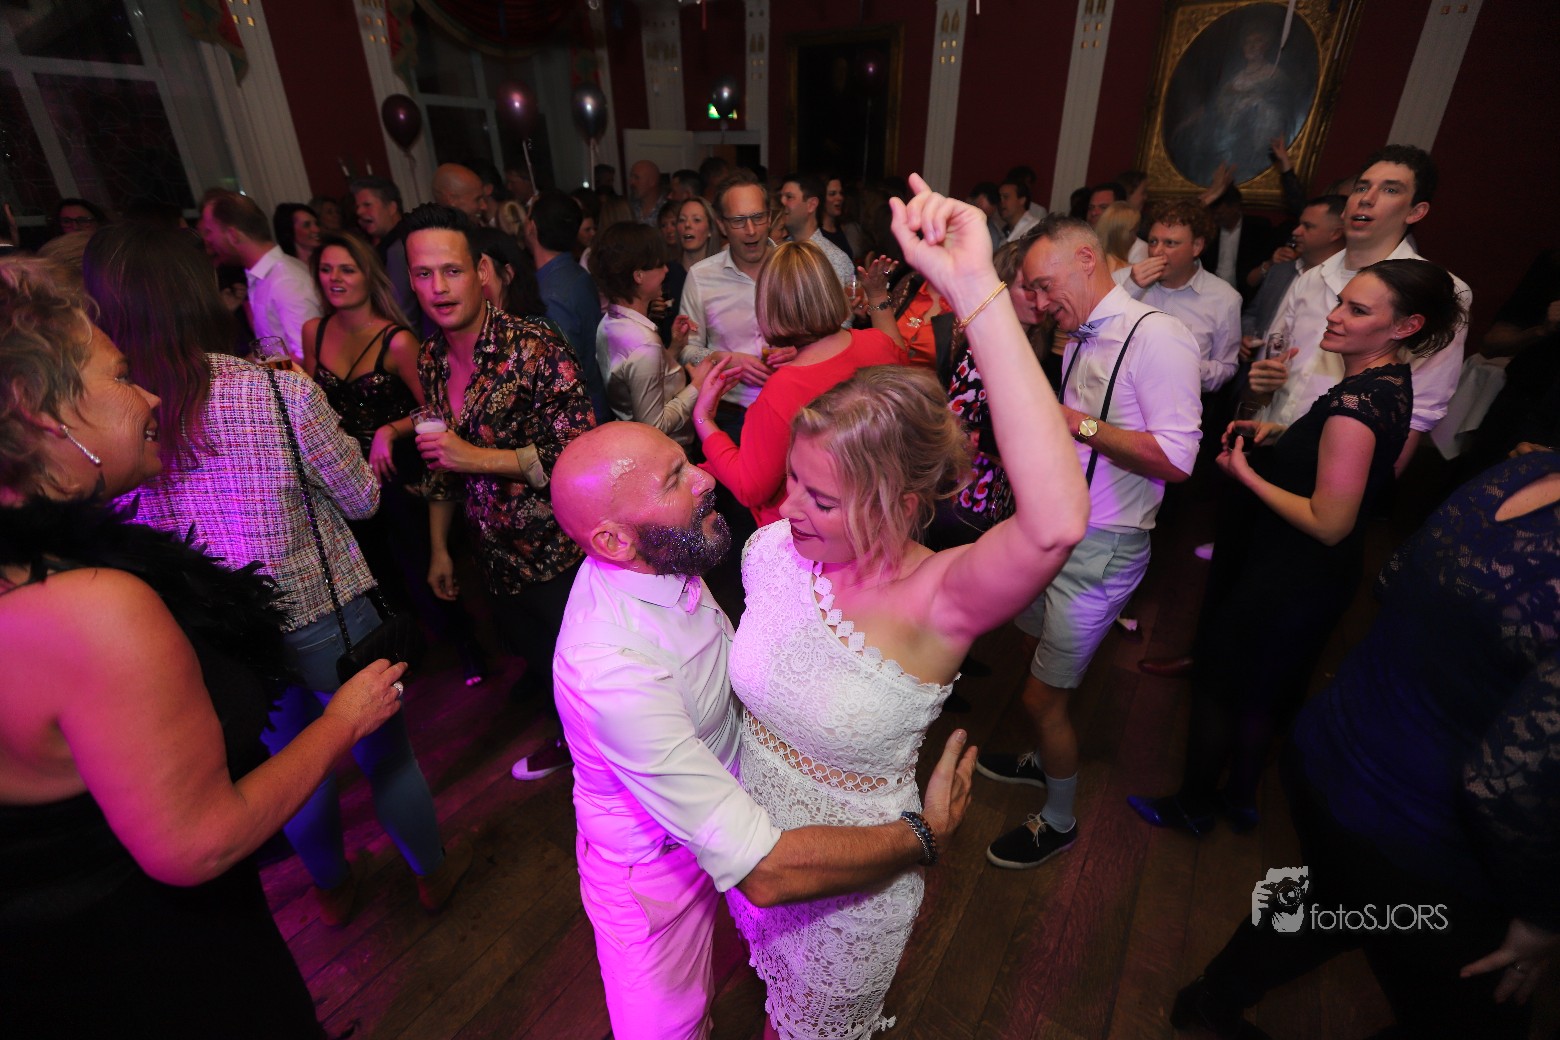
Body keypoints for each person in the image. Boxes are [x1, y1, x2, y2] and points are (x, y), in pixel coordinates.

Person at [0, 259, 405, 1040]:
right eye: (121, 377)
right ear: (42, 414)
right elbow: (198, 845)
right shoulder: (94, 607)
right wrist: (345, 720)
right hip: (155, 969)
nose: (152, 398)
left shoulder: (36, 573)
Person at [725, 174, 1089, 1040]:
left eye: (821, 498)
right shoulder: (769, 552)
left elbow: (1055, 523)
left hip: (851, 895)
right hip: (749, 855)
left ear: (899, 501)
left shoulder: (940, 597)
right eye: (793, 483)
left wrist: (977, 289)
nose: (789, 509)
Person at [82, 225, 470, 926]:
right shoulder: (275, 392)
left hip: (222, 638)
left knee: (289, 770)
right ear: (200, 294)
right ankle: (433, 876)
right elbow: (363, 498)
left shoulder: (102, 423)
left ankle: (332, 888)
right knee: (385, 754)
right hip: (325, 614)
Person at [549, 420, 982, 1040]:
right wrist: (925, 832)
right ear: (614, 541)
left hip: (732, 812)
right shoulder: (609, 671)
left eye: (686, 460)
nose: (705, 478)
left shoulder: (663, 551)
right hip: (655, 870)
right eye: (674, 479)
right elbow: (767, 871)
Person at [1170, 447, 1560, 1040]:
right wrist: (1544, 915)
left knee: (1333, 900)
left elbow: (1393, 575)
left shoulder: (1523, 469)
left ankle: (1209, 999)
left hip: (1333, 751)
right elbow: (1507, 786)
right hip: (1427, 835)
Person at [1128, 258, 1464, 835]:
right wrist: (1282, 436)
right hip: (1317, 575)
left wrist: (1246, 474)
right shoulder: (1387, 383)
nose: (1335, 315)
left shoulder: (1356, 406)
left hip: (1293, 572)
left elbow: (1329, 521)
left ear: (1406, 326)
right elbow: (1347, 460)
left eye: (1357, 310)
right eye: (1340, 302)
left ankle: (1193, 807)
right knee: (1265, 690)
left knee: (1219, 681)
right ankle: (1239, 798)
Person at [976, 215, 1203, 869]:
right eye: (1030, 290)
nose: (1039, 300)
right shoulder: (1082, 332)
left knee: (1041, 696)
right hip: (1054, 532)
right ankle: (1043, 758)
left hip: (1103, 548)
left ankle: (1059, 820)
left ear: (1085, 258)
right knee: (1030, 650)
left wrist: (1074, 423)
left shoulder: (1159, 337)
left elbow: (1178, 458)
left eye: (1044, 284)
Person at [405, 204, 596, 780]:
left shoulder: (534, 346)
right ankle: (573, 749)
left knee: (590, 677)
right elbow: (441, 464)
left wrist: (477, 458)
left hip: (559, 556)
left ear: (481, 270)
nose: (438, 288)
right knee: (544, 669)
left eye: (451, 270)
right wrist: (440, 548)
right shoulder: (431, 359)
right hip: (495, 559)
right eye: (423, 274)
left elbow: (577, 452)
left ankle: (614, 779)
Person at [1250, 145, 1470, 474]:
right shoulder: (1310, 278)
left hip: (1343, 470)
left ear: (1415, 211)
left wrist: (1371, 488)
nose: (1367, 198)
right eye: (1362, 187)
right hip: (1270, 447)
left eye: (1391, 190)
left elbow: (1421, 408)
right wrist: (1265, 383)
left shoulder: (1439, 291)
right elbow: (1275, 364)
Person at [691, 241, 903, 525]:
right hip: (881, 513)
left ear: (769, 306)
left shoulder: (783, 389)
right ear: (830, 291)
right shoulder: (879, 345)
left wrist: (704, 419)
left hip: (809, 534)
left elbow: (749, 488)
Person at [588, 221, 710, 446]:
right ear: (638, 276)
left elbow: (640, 378)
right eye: (659, 265)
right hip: (664, 452)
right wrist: (697, 386)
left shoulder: (609, 321)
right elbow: (654, 426)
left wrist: (675, 347)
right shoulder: (644, 343)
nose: (666, 270)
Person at [199, 189, 321, 363]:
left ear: (233, 235)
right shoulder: (262, 276)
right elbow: (279, 346)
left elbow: (308, 355)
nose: (207, 240)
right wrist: (252, 360)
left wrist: (255, 368)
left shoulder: (286, 281)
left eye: (209, 232)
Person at [273, 202, 323, 271]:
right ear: (289, 231)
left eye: (316, 224)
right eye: (306, 225)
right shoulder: (285, 268)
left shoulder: (327, 260)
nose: (317, 229)